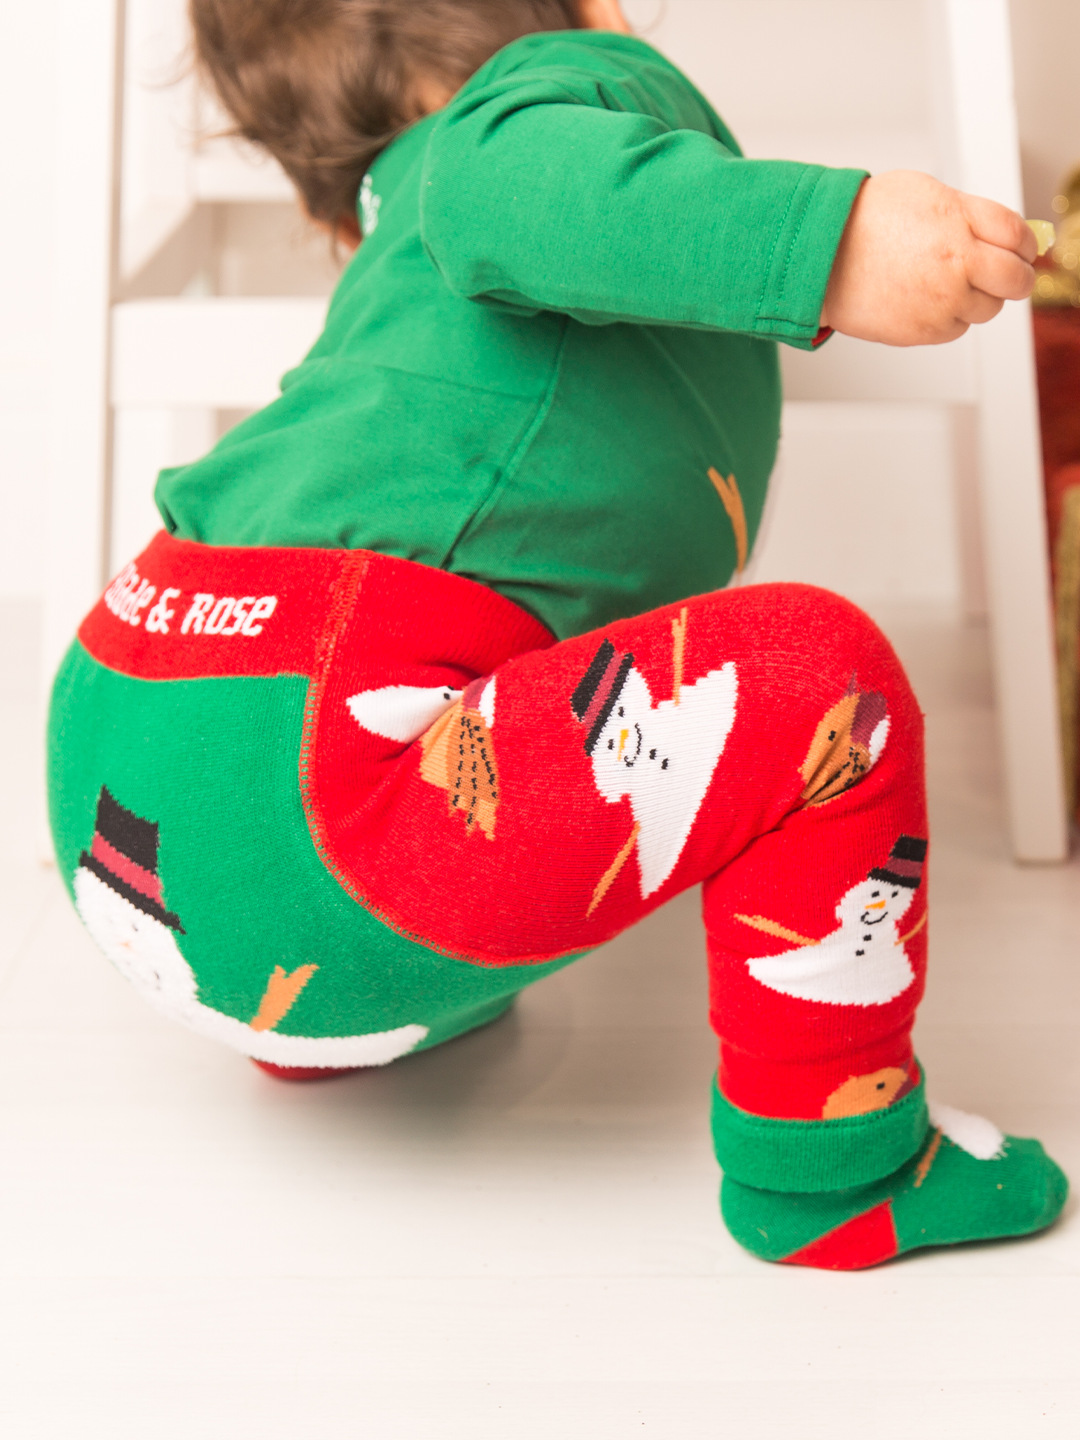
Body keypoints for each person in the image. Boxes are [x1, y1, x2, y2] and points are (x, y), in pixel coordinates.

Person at [47, 0, 1066, 1270]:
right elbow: (508, 180)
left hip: (131, 720)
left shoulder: (396, 236)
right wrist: (835, 243)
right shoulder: (538, 97)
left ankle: (336, 1009)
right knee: (820, 684)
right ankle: (834, 1175)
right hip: (317, 781)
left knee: (491, 721)